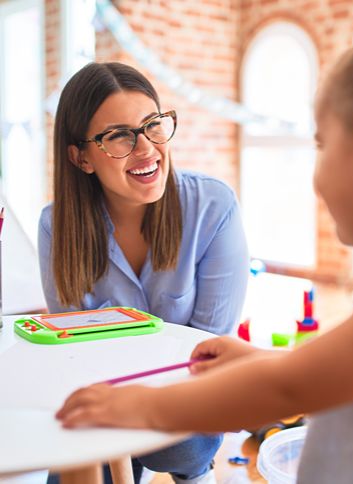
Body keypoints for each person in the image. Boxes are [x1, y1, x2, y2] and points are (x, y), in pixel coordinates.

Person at [56, 21, 353, 484]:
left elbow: (290, 386)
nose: (314, 175)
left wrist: (140, 405)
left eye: (322, 144)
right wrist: (256, 359)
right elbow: (328, 370)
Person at [38, 61, 249, 484]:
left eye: (152, 125)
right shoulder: (56, 226)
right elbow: (73, 352)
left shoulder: (213, 208)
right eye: (118, 136)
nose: (147, 148)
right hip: (106, 403)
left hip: (189, 401)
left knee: (185, 446)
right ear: (80, 157)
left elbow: (207, 353)